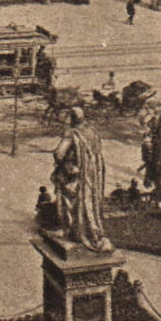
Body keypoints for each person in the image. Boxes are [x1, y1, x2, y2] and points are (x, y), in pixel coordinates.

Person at [51, 108, 112, 251]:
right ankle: (91, 232)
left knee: (72, 203)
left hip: (73, 175)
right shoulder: (92, 132)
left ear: (71, 119)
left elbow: (59, 153)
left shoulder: (72, 134)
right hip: (90, 175)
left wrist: (63, 162)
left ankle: (76, 232)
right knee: (88, 203)